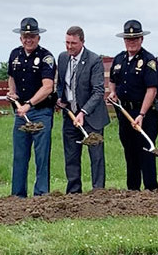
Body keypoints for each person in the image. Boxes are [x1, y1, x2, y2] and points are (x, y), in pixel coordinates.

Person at [107, 20, 158, 191]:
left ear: (141, 39)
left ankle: (151, 190)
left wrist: (142, 114)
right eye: (128, 39)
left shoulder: (148, 61)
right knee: (129, 151)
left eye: (135, 38)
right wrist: (113, 92)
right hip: (125, 111)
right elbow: (113, 81)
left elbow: (151, 90)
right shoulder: (119, 59)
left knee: (146, 151)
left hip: (144, 113)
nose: (131, 42)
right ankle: (133, 191)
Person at [7, 17, 56, 197]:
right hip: (20, 114)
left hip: (41, 112)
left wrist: (29, 104)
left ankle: (41, 194)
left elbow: (48, 87)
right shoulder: (14, 54)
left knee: (41, 156)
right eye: (25, 36)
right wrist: (12, 93)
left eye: (32, 36)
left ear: (38, 37)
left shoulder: (46, 57)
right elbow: (11, 77)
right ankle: (17, 195)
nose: (29, 39)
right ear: (20, 37)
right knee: (20, 155)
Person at [56, 26, 108, 193]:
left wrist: (83, 112)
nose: (69, 47)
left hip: (91, 116)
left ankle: (98, 191)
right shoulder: (63, 58)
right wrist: (60, 99)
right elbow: (62, 85)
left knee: (96, 155)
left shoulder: (94, 60)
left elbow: (98, 91)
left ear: (82, 42)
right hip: (70, 115)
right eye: (67, 43)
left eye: (73, 43)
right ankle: (73, 192)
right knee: (71, 155)